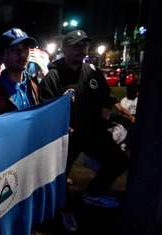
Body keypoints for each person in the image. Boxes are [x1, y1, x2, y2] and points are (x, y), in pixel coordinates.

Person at [38, 29, 130, 230]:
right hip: (67, 137)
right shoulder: (52, 77)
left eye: (84, 45)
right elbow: (45, 109)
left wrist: (104, 118)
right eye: (76, 45)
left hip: (94, 132)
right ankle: (61, 210)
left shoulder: (92, 71)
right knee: (57, 177)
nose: (82, 49)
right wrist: (61, 124)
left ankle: (94, 194)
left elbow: (107, 97)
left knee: (120, 160)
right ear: (64, 49)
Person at [0, 28, 39, 124]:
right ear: (1, 57)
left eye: (25, 48)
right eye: (14, 50)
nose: (22, 54)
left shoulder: (34, 85)